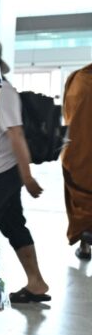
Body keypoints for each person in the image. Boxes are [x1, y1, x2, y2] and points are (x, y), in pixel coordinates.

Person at [0, 53, 50, 303]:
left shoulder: (1, 91)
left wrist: (27, 177)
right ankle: (36, 283)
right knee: (14, 225)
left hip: (1, 172)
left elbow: (17, 135)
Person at [63, 63, 92, 260]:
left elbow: (68, 114)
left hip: (78, 151)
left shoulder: (78, 79)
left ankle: (85, 244)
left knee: (80, 201)